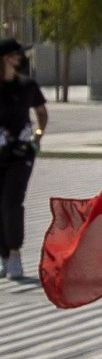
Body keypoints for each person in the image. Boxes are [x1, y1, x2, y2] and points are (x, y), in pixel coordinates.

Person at [0, 39, 46, 281]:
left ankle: (15, 253)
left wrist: (37, 137)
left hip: (20, 155)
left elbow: (41, 112)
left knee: (11, 202)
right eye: (15, 54)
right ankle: (4, 256)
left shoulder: (27, 86)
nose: (20, 58)